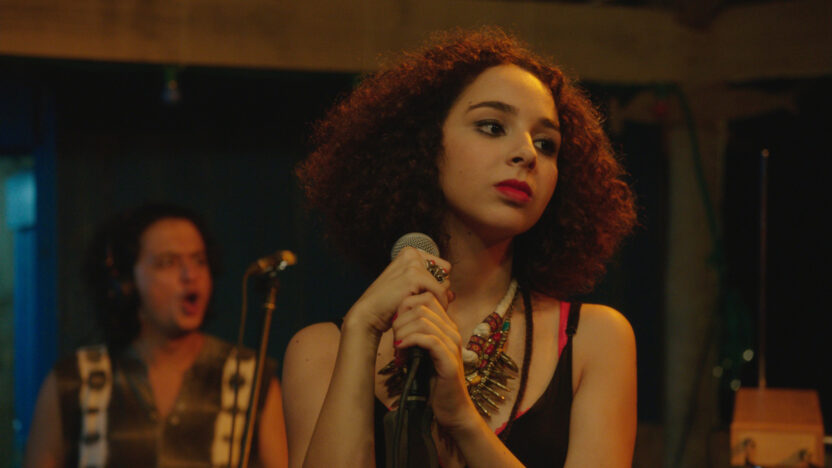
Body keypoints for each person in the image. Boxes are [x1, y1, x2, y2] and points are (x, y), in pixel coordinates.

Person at [283, 27, 638, 468]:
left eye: (546, 144)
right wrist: (363, 330)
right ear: (423, 144)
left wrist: (463, 420)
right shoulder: (322, 350)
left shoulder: (594, 339)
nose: (527, 153)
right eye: (492, 127)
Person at [24, 203, 288, 468]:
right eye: (167, 262)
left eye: (199, 260)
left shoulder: (250, 377)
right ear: (127, 279)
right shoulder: (75, 379)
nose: (190, 275)